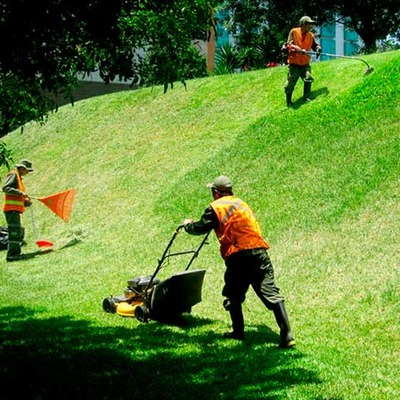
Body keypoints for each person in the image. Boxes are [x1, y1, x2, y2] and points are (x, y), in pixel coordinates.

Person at [183, 175, 295, 348]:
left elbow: (200, 228)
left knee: (233, 295)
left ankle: (237, 332)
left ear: (216, 192)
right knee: (270, 293)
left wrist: (188, 225)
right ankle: (287, 335)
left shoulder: (216, 207)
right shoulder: (241, 203)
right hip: (259, 252)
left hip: (238, 256)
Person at [283, 16, 321, 106]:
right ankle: (288, 102)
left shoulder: (311, 35)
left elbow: (314, 45)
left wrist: (318, 48)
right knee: (290, 84)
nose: (311, 26)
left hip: (305, 63)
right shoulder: (294, 31)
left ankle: (306, 97)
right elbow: (288, 45)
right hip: (295, 63)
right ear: (304, 24)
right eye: (309, 24)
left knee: (308, 78)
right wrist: (298, 49)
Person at [2, 159, 33, 261]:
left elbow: (15, 196)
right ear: (22, 168)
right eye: (27, 170)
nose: (27, 173)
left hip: (14, 210)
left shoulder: (19, 178)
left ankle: (15, 253)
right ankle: (12, 255)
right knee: (14, 232)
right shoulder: (13, 174)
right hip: (11, 210)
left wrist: (25, 203)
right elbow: (6, 188)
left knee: (16, 231)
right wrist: (21, 193)